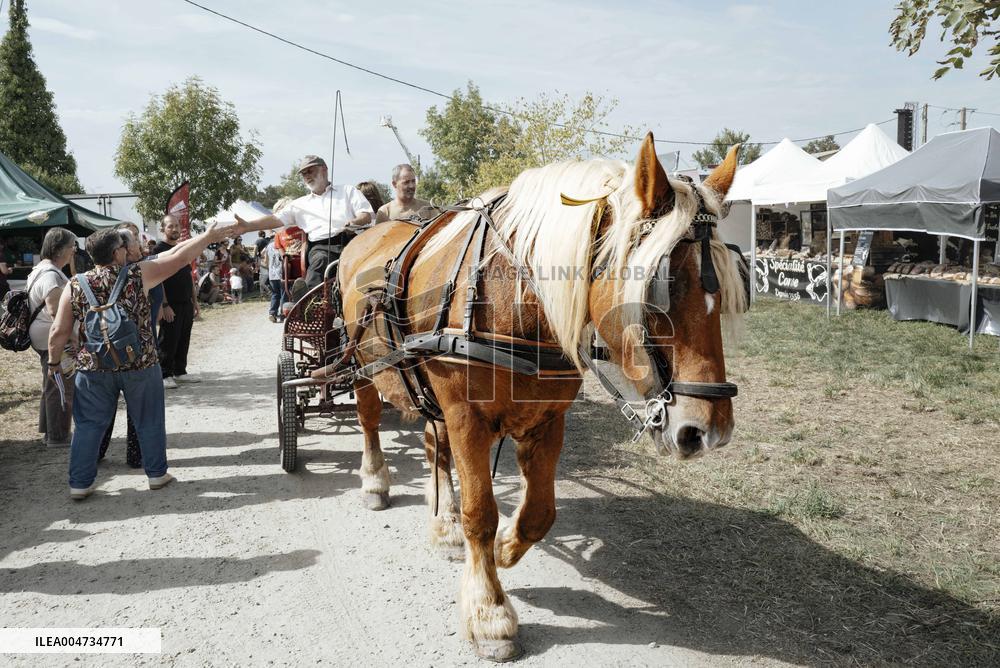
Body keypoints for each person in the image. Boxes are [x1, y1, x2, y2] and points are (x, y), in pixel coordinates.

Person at [47, 222, 236, 500]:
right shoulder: (138, 274)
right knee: (148, 419)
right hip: (140, 363)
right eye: (124, 247)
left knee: (88, 425)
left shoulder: (76, 284)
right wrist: (207, 236)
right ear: (116, 253)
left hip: (94, 367)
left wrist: (54, 364)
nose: (127, 251)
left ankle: (80, 483)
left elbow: (59, 331)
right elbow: (180, 258)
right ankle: (157, 474)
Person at [235, 155, 373, 289]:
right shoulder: (299, 204)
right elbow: (275, 219)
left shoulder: (347, 191)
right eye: (303, 174)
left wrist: (354, 222)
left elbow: (365, 215)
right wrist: (248, 226)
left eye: (310, 171)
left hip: (352, 242)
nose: (307, 176)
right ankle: (307, 303)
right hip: (321, 248)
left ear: (324, 169)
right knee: (320, 261)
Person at [26, 228, 77, 448]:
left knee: (52, 384)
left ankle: (50, 432)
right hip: (55, 338)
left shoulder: (41, 269)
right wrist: (74, 337)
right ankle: (58, 436)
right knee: (62, 385)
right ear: (58, 250)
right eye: (70, 247)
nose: (73, 251)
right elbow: (57, 312)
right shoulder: (51, 275)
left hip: (45, 337)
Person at [155, 215, 199, 390]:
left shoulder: (182, 249)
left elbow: (189, 277)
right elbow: (158, 279)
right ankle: (164, 373)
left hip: (186, 302)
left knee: (183, 337)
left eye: (176, 226)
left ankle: (180, 371)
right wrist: (164, 305)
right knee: (168, 339)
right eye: (170, 226)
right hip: (170, 304)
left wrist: (195, 302)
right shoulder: (159, 250)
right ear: (163, 229)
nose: (174, 229)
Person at [265, 237, 285, 323]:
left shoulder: (268, 247)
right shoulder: (282, 244)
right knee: (284, 293)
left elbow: (266, 261)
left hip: (272, 274)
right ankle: (283, 314)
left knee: (275, 294)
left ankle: (272, 313)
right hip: (282, 273)